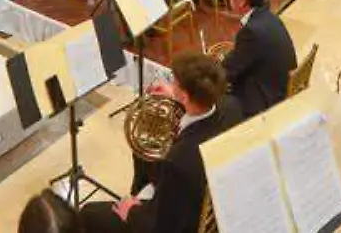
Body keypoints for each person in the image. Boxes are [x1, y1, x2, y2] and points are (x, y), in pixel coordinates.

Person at [81, 53, 243, 233]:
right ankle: (138, 192)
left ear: (185, 96)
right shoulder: (232, 107)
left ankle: (135, 199)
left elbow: (161, 227)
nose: (171, 84)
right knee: (143, 156)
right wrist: (177, 98)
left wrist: (132, 210)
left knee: (88, 213)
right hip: (206, 188)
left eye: (174, 83)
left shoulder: (178, 161)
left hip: (182, 215)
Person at [223, 0, 296, 116]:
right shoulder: (268, 16)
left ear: (242, 1)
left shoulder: (251, 32)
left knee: (218, 102)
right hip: (276, 82)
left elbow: (228, 72)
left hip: (265, 97)